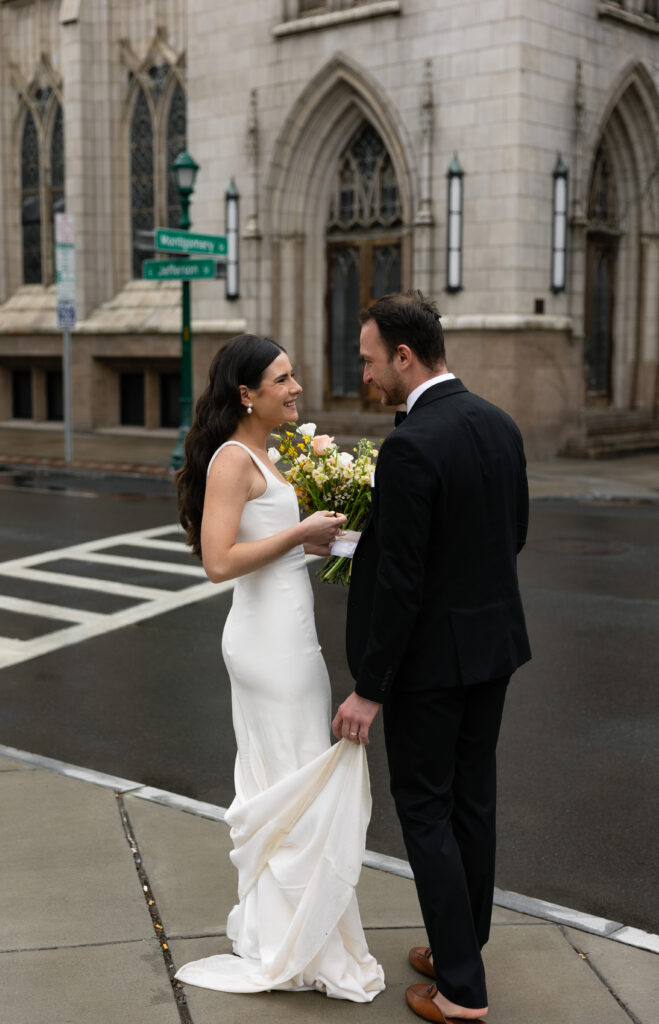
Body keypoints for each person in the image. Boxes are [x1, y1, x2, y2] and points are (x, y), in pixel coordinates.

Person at [332, 292, 531, 1022]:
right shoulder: (499, 424)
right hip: (493, 648)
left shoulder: (411, 445)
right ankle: (461, 947)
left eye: (369, 358)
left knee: (424, 808)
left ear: (404, 356)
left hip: (430, 665)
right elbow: (511, 534)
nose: (367, 372)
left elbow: (401, 582)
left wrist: (368, 688)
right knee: (471, 801)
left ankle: (460, 994)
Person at [174, 333, 384, 1002]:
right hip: (267, 647)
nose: (296, 388)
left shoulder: (266, 454)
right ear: (247, 393)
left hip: (290, 635)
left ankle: (288, 933)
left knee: (292, 780)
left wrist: (337, 542)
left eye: (293, 376)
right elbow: (217, 563)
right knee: (293, 782)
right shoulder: (233, 460)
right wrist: (299, 532)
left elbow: (279, 555)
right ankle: (291, 942)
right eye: (283, 379)